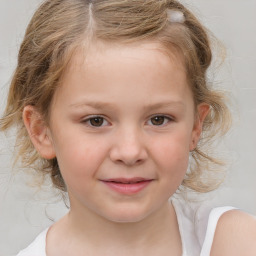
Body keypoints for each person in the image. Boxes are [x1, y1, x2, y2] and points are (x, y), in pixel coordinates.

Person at [0, 0, 256, 255]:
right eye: (96, 121)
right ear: (41, 131)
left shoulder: (235, 243)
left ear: (195, 126)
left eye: (158, 119)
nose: (130, 151)